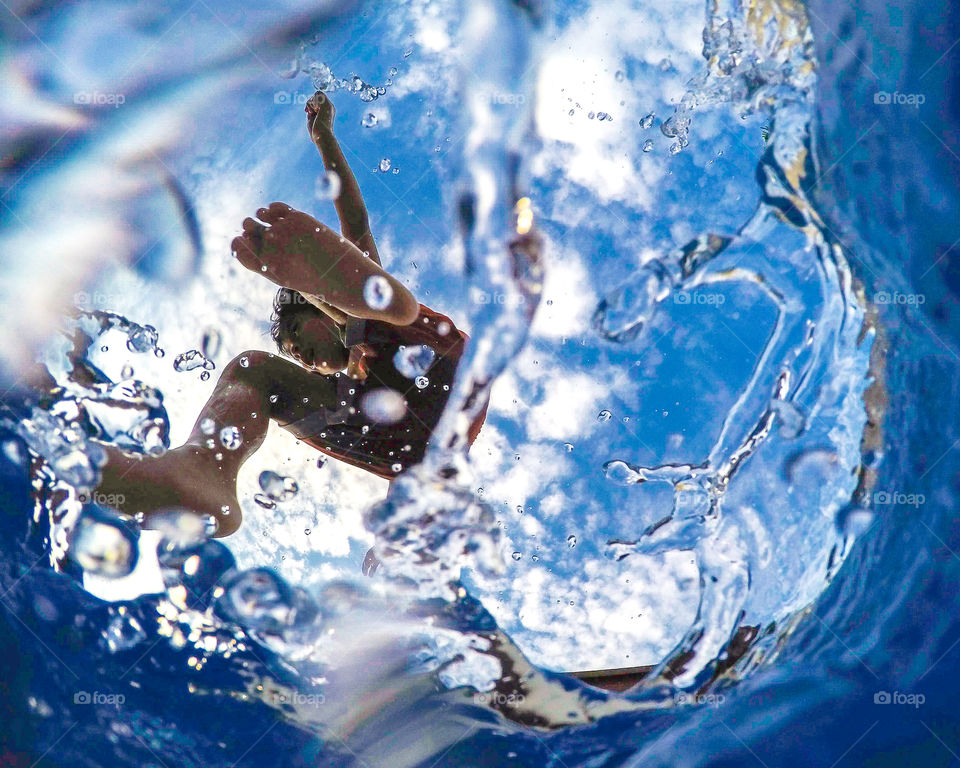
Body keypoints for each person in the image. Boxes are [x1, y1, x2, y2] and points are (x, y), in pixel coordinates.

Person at [93, 91, 498, 539]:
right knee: (263, 374)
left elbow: (355, 215)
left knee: (344, 326)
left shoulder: (371, 339)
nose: (302, 357)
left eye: (298, 338)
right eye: (298, 354)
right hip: (415, 449)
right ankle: (202, 473)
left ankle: (335, 290)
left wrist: (324, 138)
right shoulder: (344, 392)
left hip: (433, 360)